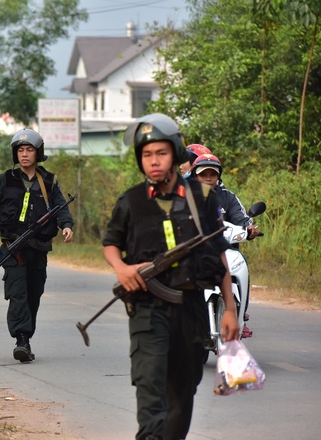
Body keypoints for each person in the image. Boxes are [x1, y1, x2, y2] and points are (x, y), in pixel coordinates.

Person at [102, 113, 239, 440]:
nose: (153, 161)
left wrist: (230, 309)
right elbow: (110, 243)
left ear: (176, 154)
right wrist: (122, 268)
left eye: (161, 153)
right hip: (147, 308)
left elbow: (219, 252)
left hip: (190, 307)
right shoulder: (131, 201)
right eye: (147, 155)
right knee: (149, 380)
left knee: (184, 387)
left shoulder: (202, 198)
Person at [0, 128, 74, 363]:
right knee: (18, 294)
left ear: (37, 153)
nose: (24, 154)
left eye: (29, 149)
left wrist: (67, 225)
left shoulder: (48, 181)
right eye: (20, 150)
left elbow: (60, 206)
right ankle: (22, 340)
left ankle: (26, 336)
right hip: (13, 248)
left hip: (39, 248)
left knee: (33, 294)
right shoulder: (5, 180)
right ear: (15, 154)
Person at [190, 153, 259, 338]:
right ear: (196, 176)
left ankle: (241, 313)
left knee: (242, 264)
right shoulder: (186, 197)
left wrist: (249, 228)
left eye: (212, 173)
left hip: (227, 251)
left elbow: (241, 219)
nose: (208, 177)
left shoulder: (228, 197)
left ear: (218, 175)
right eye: (204, 174)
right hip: (195, 251)